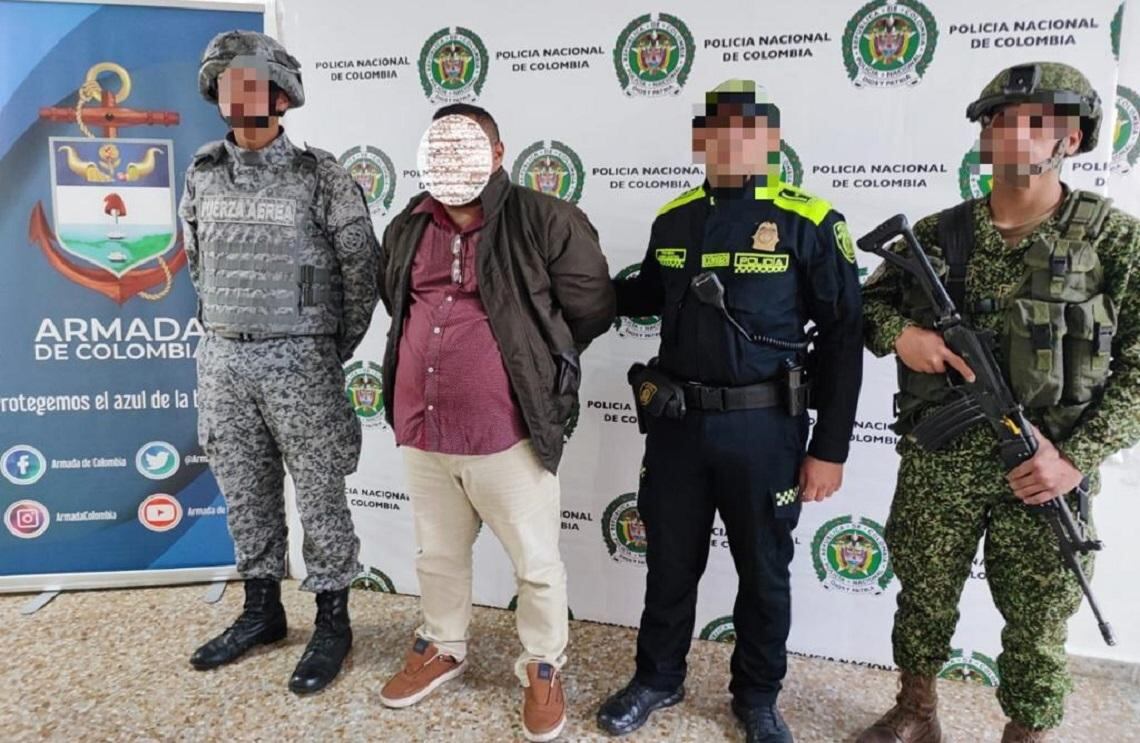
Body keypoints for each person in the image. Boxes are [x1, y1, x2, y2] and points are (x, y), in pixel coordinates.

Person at [858, 62, 1140, 743]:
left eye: (1038, 122)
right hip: (941, 461)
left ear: (1072, 139)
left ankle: (1029, 729)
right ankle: (916, 709)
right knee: (922, 593)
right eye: (1001, 120)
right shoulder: (938, 232)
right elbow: (868, 305)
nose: (1014, 133)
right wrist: (906, 337)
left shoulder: (1114, 240)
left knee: (1040, 614)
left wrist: (1075, 457)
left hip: (1043, 470)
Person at [597, 79, 864, 743]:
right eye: (715, 130)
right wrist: (571, 282)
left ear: (771, 141)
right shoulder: (675, 218)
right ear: (700, 141)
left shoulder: (811, 221)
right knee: (669, 563)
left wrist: (829, 446)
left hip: (766, 429)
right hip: (679, 427)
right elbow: (644, 297)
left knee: (765, 571)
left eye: (747, 129)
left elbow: (844, 339)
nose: (730, 142)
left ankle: (757, 697)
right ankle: (658, 676)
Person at [375, 104, 615, 742]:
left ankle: (542, 664)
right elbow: (395, 300)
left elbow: (589, 309)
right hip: (423, 431)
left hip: (507, 433)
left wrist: (526, 365)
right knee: (438, 555)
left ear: (499, 152)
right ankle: (443, 645)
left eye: (469, 148)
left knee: (535, 563)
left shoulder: (545, 219)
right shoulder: (406, 226)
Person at [179, 30, 381, 694]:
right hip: (225, 363)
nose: (239, 95)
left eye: (253, 82)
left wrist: (325, 349)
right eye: (228, 84)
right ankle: (261, 610)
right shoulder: (202, 171)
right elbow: (198, 267)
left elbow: (361, 276)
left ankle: (332, 620)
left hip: (302, 365)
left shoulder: (321, 175)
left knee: (321, 494)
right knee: (245, 492)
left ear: (282, 95)